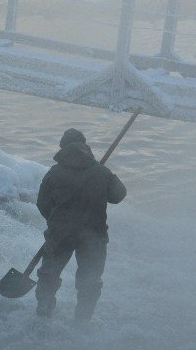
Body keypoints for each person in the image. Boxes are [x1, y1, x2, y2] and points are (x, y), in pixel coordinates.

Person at [35, 128, 127, 322]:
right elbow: (118, 195)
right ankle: (82, 323)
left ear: (62, 148)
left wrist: (57, 223)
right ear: (86, 147)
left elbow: (43, 205)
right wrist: (107, 177)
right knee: (89, 281)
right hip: (93, 236)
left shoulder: (54, 173)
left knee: (48, 277)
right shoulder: (101, 172)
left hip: (60, 234)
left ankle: (43, 319)